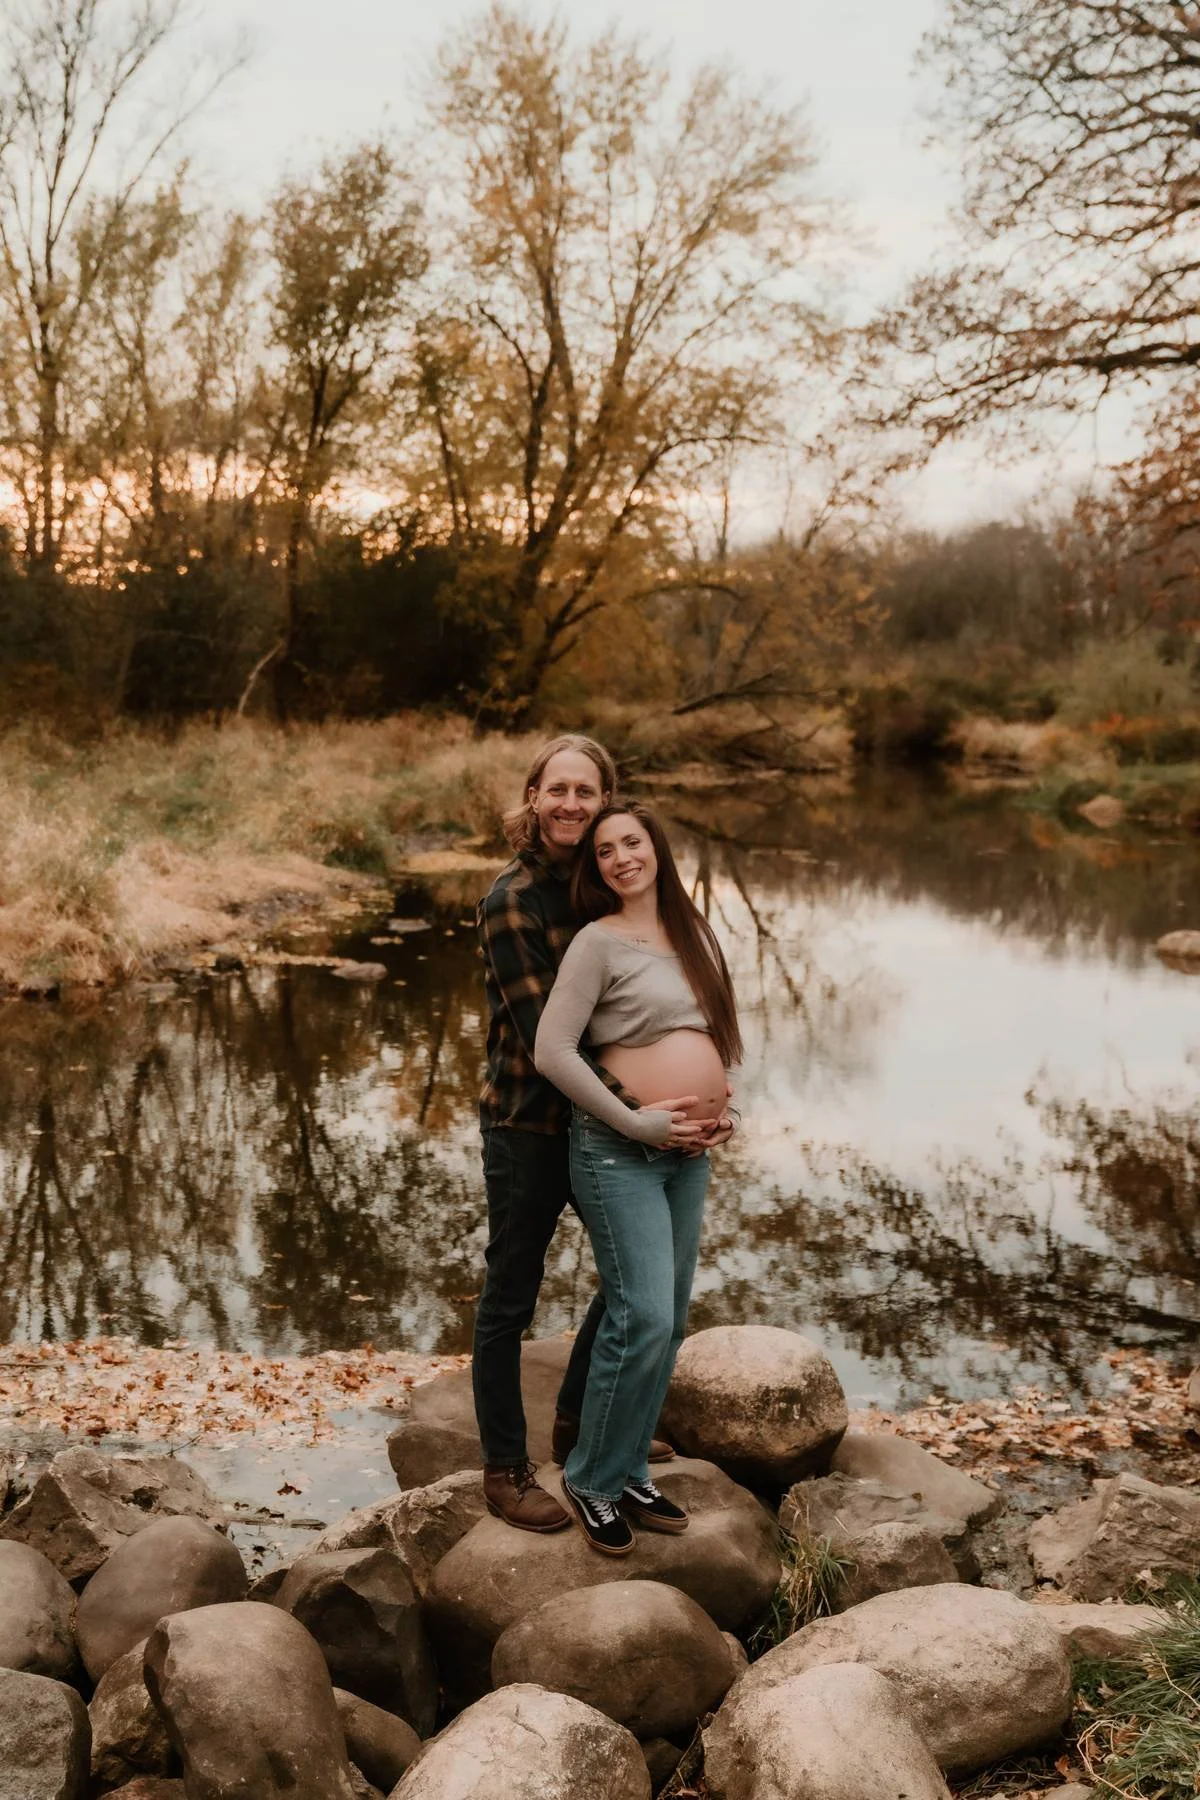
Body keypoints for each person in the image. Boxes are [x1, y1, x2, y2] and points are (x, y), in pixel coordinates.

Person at [473, 737, 712, 1534]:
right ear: (533, 797)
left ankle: (587, 1425)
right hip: (530, 1123)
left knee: (631, 1285)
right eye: (558, 790)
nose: (572, 805)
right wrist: (648, 1113)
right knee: (511, 1294)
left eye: (587, 792)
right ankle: (506, 1465)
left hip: (610, 1127)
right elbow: (551, 1038)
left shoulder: (598, 882)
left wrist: (692, 1102)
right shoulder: (514, 900)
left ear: (607, 797)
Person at [533, 802, 742, 1555]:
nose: (622, 856)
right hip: (616, 1151)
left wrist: (725, 1113)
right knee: (641, 1315)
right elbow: (552, 1050)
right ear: (595, 870)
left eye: (633, 842)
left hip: (688, 1155)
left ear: (657, 848)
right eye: (605, 851)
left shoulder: (696, 933)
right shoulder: (597, 942)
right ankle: (590, 1478)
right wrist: (635, 1121)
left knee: (672, 1320)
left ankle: (625, 1470)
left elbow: (714, 1038)